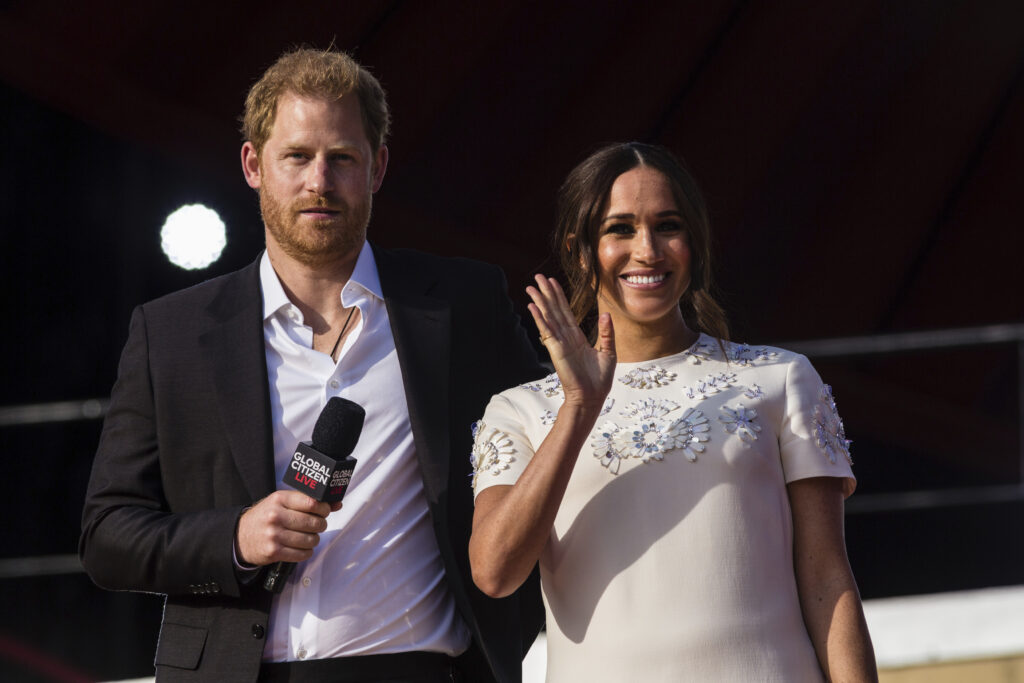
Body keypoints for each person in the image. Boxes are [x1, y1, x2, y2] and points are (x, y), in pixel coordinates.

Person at [80, 47, 544, 683]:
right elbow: (107, 536)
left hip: (424, 669)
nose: (319, 182)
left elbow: (557, 448)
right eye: (297, 156)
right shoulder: (173, 333)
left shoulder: (463, 308)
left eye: (342, 158)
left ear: (377, 167)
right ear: (254, 165)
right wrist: (236, 539)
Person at [468, 142, 878, 682]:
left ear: (695, 241)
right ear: (580, 248)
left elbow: (828, 579)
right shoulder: (520, 410)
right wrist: (580, 407)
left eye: (667, 225)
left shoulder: (779, 379)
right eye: (619, 229)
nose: (647, 250)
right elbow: (495, 572)